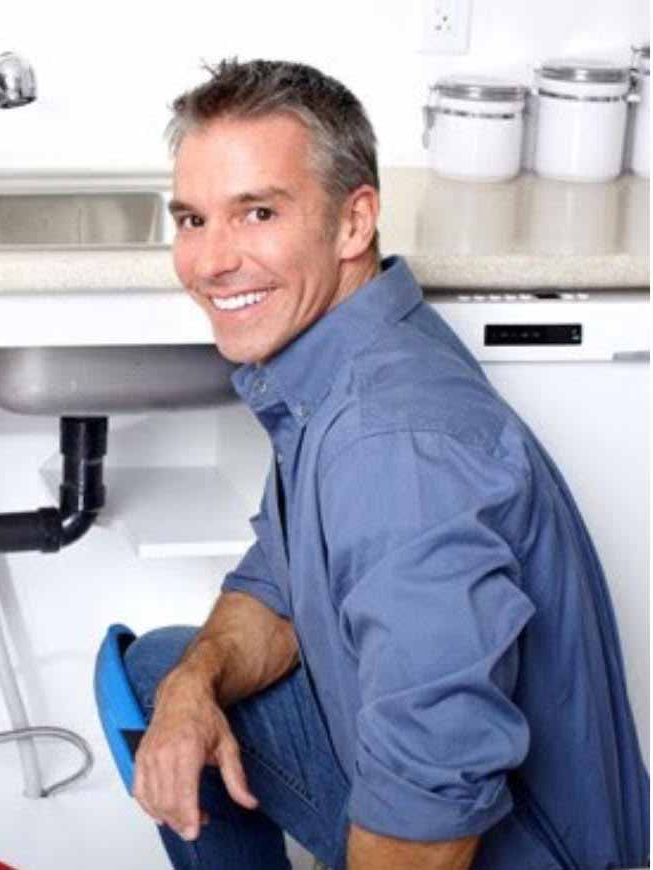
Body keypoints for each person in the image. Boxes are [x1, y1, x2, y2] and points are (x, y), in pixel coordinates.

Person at [122, 58, 650, 870]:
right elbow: (281, 584)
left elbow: (432, 801)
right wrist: (192, 691)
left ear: (353, 222)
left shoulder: (393, 444)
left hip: (509, 851)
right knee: (165, 670)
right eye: (193, 220)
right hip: (441, 794)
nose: (211, 261)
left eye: (257, 212)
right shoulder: (344, 358)